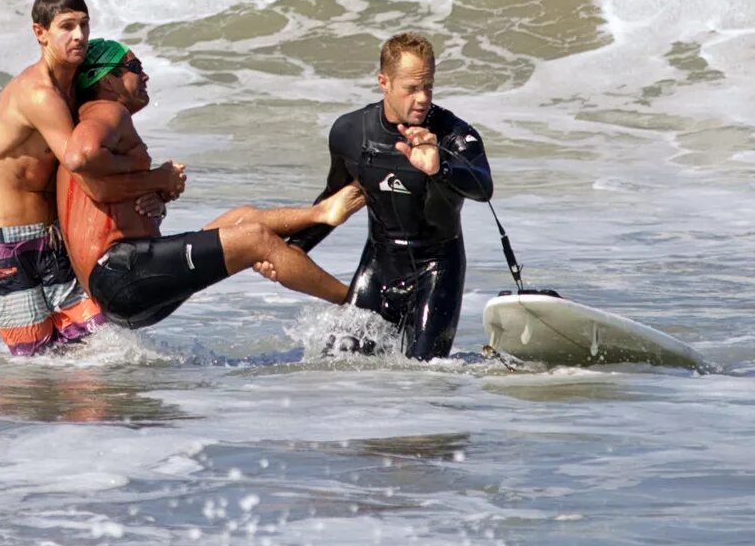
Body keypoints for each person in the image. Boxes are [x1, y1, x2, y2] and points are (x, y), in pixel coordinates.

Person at [59, 39, 367, 330]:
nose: (146, 75)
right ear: (108, 80)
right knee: (255, 239)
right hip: (123, 274)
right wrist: (157, 178)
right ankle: (360, 304)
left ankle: (322, 213)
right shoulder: (107, 110)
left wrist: (157, 193)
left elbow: (105, 193)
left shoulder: (97, 118)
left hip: (126, 280)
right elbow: (81, 155)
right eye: (136, 67)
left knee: (242, 218)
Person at [0, 0, 161, 356]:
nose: (79, 36)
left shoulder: (75, 87)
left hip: (54, 240)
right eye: (67, 26)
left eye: (85, 25)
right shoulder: (39, 93)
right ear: (39, 33)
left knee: (104, 348)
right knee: (36, 365)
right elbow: (82, 162)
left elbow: (105, 142)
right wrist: (148, 174)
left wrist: (149, 193)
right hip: (7, 246)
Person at [283, 33, 492, 359]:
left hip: (437, 271)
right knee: (333, 367)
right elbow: (332, 201)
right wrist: (289, 249)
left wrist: (440, 169)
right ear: (384, 82)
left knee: (425, 375)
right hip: (377, 269)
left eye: (429, 87)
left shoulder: (452, 135)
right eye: (411, 88)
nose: (423, 98)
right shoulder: (351, 133)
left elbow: (483, 186)